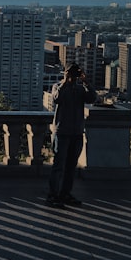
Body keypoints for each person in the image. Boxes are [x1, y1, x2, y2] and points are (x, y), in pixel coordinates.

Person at [46, 63, 97, 208]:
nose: (73, 76)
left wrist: (86, 82)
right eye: (71, 73)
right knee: (58, 166)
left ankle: (65, 193)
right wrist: (65, 81)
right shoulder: (58, 86)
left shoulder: (81, 89)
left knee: (70, 167)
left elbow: (92, 98)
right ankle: (53, 194)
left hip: (77, 132)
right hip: (62, 132)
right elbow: (56, 99)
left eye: (75, 73)